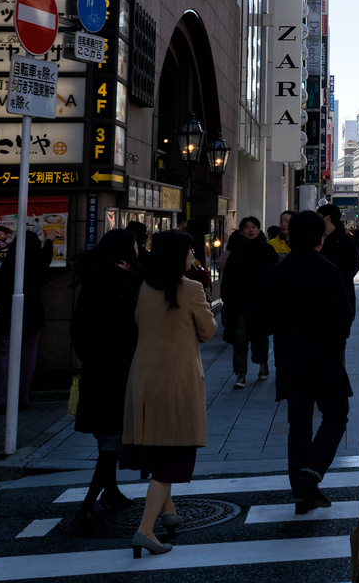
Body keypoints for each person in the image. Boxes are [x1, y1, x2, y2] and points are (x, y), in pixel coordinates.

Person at [122, 229, 216, 558]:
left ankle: (168, 512)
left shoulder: (144, 286)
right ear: (179, 255)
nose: (194, 254)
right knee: (171, 459)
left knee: (158, 446)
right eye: (191, 250)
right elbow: (208, 330)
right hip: (176, 381)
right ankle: (144, 531)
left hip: (144, 377)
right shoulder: (190, 288)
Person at [268, 210, 355, 513]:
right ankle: (312, 471)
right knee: (337, 414)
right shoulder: (327, 270)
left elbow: (268, 319)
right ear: (320, 237)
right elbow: (345, 317)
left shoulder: (277, 272)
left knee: (299, 425)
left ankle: (301, 492)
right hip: (325, 356)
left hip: (290, 357)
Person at [68, 227, 140, 526]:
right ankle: (87, 504)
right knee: (114, 437)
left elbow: (77, 329)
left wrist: (91, 357)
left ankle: (111, 491)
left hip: (96, 368)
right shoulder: (129, 282)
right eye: (136, 245)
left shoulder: (93, 279)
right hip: (121, 369)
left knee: (105, 435)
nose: (139, 250)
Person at [0, 228, 52, 408]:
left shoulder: (11, 264)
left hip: (8, 317)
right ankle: (22, 399)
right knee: (28, 358)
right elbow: (46, 257)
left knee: (8, 358)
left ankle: (5, 400)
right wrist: (49, 241)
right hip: (33, 318)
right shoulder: (38, 264)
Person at [220, 216, 276, 388]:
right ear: (241, 230)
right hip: (240, 302)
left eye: (254, 227)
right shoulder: (237, 251)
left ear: (259, 230)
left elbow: (274, 276)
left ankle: (262, 364)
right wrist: (227, 299)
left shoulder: (267, 250)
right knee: (240, 337)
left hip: (260, 301)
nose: (250, 230)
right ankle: (240, 373)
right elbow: (228, 278)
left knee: (260, 335)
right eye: (246, 227)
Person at [317, 203, 359, 329]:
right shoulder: (323, 239)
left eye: (319, 216)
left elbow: (353, 266)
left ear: (327, 218)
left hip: (340, 296)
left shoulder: (343, 240)